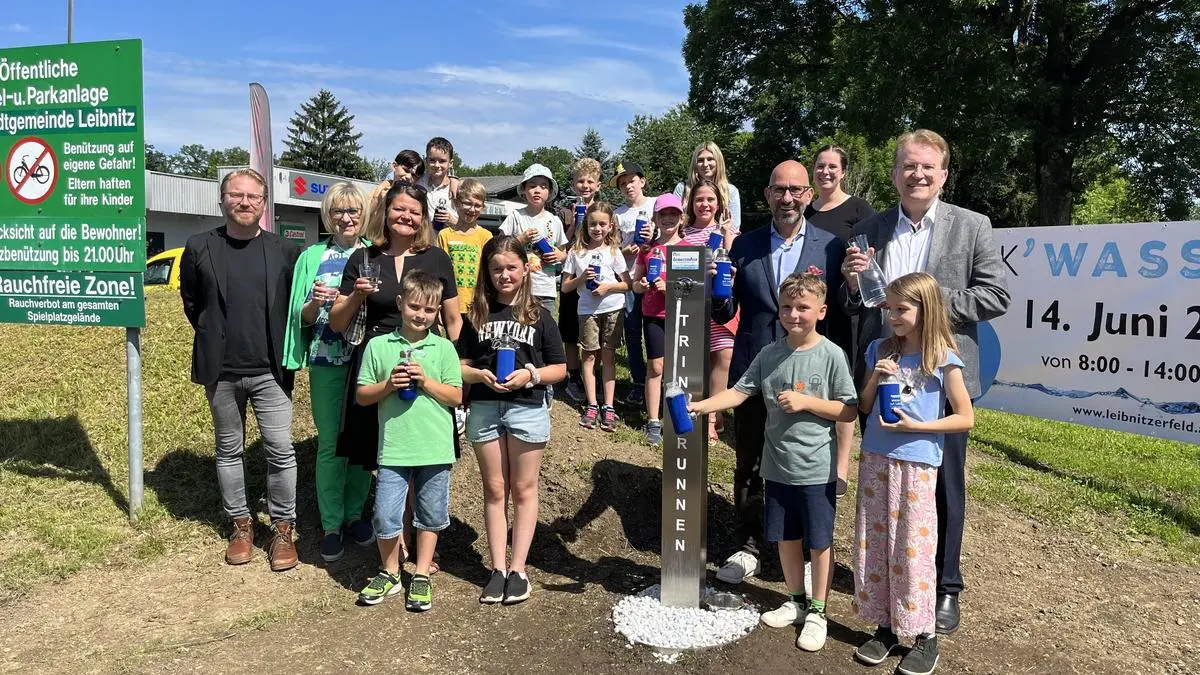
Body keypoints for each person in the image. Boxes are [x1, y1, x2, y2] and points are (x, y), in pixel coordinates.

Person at [842, 129, 1010, 635]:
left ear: (943, 175)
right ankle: (889, 584)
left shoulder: (973, 226)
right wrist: (852, 283)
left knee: (941, 487)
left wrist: (930, 308)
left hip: (941, 377)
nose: (917, 175)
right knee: (885, 483)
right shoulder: (868, 228)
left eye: (927, 167)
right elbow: (861, 305)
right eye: (908, 166)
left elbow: (996, 295)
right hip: (886, 372)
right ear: (895, 174)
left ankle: (945, 587)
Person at [690, 272, 857, 653]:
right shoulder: (768, 354)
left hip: (816, 469)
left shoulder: (832, 355)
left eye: (803, 307)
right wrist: (701, 406)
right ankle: (796, 601)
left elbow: (848, 410)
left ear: (821, 311)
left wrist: (807, 403)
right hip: (777, 468)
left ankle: (818, 611)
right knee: (786, 538)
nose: (794, 314)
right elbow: (737, 393)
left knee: (819, 543)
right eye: (787, 307)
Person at [711, 160, 847, 585]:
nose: (787, 198)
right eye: (779, 190)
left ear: (809, 195)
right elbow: (726, 311)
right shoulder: (743, 245)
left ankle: (806, 551)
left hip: (809, 374)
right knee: (749, 460)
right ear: (767, 195)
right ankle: (749, 545)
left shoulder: (832, 246)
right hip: (755, 366)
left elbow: (842, 310)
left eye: (796, 190)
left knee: (806, 463)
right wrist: (716, 290)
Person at [179, 168, 302, 571]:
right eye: (236, 195)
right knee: (228, 450)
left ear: (265, 203)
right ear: (222, 200)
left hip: (271, 371)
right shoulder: (199, 246)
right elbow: (192, 303)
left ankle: (283, 529)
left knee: (280, 449)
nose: (244, 202)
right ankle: (241, 525)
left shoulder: (285, 250)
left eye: (253, 196)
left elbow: (292, 306)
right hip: (221, 371)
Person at [852, 272, 974, 675]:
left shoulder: (943, 358)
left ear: (926, 309)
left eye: (901, 309)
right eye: (889, 308)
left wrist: (917, 427)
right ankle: (885, 626)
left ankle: (924, 635)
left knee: (912, 548)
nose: (892, 316)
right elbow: (864, 406)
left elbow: (965, 417)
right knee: (875, 543)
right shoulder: (879, 348)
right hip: (875, 458)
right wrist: (876, 375)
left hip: (918, 463)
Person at [457, 236, 567, 605]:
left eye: (511, 268)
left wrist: (531, 375)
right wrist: (478, 376)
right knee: (494, 489)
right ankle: (497, 568)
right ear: (486, 273)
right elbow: (460, 365)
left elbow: (559, 369)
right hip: (485, 407)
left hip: (527, 408)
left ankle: (518, 568)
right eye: (496, 269)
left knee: (523, 489)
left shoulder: (540, 316)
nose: (504, 275)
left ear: (525, 269)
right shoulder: (475, 315)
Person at [354, 272, 463, 610]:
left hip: (435, 447)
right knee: (385, 515)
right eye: (415, 307)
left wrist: (425, 382)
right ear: (400, 304)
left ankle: (421, 572)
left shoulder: (444, 348)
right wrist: (388, 385)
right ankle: (389, 571)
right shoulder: (378, 346)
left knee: (430, 514)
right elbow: (362, 396)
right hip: (394, 449)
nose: (421, 315)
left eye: (429, 310)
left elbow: (456, 396)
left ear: (437, 312)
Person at [282, 182, 375, 564]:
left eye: (353, 210)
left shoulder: (374, 253)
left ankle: (355, 515)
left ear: (364, 214)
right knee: (330, 444)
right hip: (325, 360)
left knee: (362, 441)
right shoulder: (312, 257)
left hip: (367, 361)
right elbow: (300, 317)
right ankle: (332, 524)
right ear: (328, 215)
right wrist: (312, 304)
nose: (346, 218)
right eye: (338, 211)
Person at [805, 144, 878, 570]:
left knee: (844, 383)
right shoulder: (806, 209)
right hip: (813, 310)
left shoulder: (859, 210)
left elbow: (868, 261)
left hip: (847, 309)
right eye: (820, 166)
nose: (825, 172)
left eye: (832, 166)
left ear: (843, 172)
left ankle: (841, 467)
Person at [560, 202, 631, 432]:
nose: (597, 229)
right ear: (586, 226)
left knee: (608, 357)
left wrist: (608, 287)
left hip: (613, 309)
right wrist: (581, 278)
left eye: (602, 224)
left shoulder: (614, 252)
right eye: (593, 224)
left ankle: (608, 405)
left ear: (610, 226)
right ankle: (592, 404)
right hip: (587, 311)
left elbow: (627, 284)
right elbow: (565, 287)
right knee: (589, 355)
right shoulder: (576, 253)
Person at [678, 179, 738, 441]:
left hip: (721, 305)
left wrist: (727, 235)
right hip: (692, 305)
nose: (704, 204)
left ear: (719, 204)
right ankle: (696, 409)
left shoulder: (728, 231)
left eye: (710, 199)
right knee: (698, 358)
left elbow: (735, 262)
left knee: (723, 356)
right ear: (691, 203)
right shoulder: (683, 233)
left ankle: (714, 415)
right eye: (699, 199)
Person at [630, 193, 685, 445]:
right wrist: (641, 285)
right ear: (655, 218)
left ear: (682, 217)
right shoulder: (648, 249)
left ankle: (678, 416)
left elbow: (697, 288)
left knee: (679, 368)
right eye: (663, 214)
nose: (668, 218)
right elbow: (635, 284)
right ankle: (653, 419)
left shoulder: (690, 249)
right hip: (653, 315)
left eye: (674, 214)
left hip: (683, 315)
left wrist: (669, 287)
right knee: (656, 368)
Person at [556, 158, 602, 403]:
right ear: (573, 184)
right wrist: (573, 225)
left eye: (590, 181)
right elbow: (561, 248)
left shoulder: (604, 210)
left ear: (598, 185)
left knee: (596, 329)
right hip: (572, 278)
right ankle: (574, 376)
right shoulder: (565, 213)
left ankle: (594, 375)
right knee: (570, 330)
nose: (585, 185)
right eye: (581, 181)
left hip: (596, 279)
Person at [610, 160, 656, 407]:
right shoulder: (617, 214)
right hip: (630, 279)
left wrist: (653, 238)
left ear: (642, 181)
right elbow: (611, 248)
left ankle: (659, 380)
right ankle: (639, 383)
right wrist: (624, 250)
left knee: (657, 333)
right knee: (633, 333)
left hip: (656, 279)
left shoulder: (656, 205)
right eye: (623, 184)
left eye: (632, 181)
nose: (628, 186)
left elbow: (672, 233)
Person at [500, 163, 568, 315]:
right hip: (519, 287)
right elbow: (500, 248)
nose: (537, 190)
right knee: (519, 324)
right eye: (532, 186)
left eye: (543, 186)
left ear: (549, 192)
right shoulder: (515, 217)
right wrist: (521, 239)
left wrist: (559, 255)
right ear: (524, 190)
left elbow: (564, 253)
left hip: (546, 289)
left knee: (545, 326)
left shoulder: (555, 221)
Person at [438, 178, 493, 324]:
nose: (472, 209)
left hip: (477, 303)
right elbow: (440, 273)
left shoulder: (486, 236)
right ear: (456, 203)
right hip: (451, 303)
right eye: (467, 203)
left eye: (477, 205)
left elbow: (489, 271)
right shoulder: (445, 235)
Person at [674, 141, 742, 233]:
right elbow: (673, 222)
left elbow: (734, 228)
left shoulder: (730, 191)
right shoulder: (682, 188)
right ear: (695, 164)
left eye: (710, 159)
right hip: (687, 238)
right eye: (700, 160)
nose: (705, 164)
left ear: (718, 162)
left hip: (720, 240)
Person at [418, 137, 461, 230]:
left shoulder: (458, 189)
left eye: (442, 161)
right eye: (432, 160)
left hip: (450, 237)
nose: (437, 165)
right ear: (426, 160)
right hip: (423, 237)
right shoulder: (419, 181)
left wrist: (451, 220)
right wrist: (386, 183)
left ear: (451, 163)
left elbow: (468, 226)